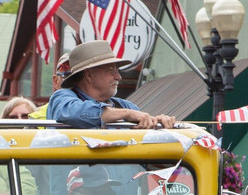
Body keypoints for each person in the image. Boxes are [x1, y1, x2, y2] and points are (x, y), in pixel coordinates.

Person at [46, 41, 176, 130]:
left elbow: (148, 151)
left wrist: (158, 124)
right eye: (111, 70)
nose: (118, 77)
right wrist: (126, 114)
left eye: (117, 71)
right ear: (89, 75)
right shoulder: (62, 97)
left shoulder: (125, 106)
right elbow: (71, 113)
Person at [28, 54, 71, 121]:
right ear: (56, 81)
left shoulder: (92, 111)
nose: (73, 80)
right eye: (66, 75)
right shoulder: (37, 120)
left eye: (79, 76)